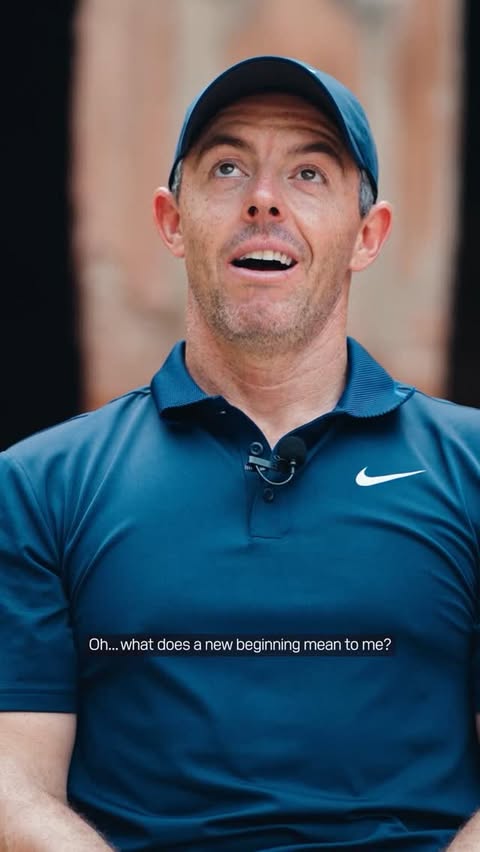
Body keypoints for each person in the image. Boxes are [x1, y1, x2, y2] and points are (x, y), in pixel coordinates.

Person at [0, 55, 478, 852]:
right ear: (172, 221)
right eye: (227, 167)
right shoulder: (39, 484)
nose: (263, 199)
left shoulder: (471, 469)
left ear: (367, 236)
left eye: (309, 173)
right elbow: (11, 780)